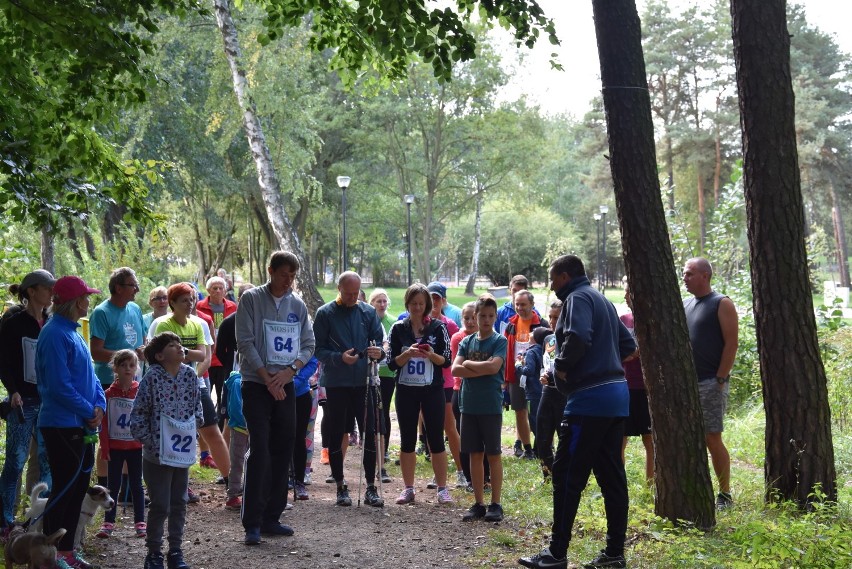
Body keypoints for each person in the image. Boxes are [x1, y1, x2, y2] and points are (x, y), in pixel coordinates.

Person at [519, 255, 636, 569]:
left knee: (566, 475)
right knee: (612, 476)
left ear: (565, 276)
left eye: (553, 279)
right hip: (616, 397)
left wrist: (560, 368)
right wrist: (603, 363)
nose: (553, 286)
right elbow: (629, 346)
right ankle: (614, 554)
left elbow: (579, 337)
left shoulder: (576, 298)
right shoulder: (603, 301)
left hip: (589, 402)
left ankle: (556, 554)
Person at [236, 251, 315, 543]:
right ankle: (252, 522)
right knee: (260, 448)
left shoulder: (298, 305)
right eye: (284, 274)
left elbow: (308, 344)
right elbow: (244, 340)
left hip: (286, 385)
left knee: (284, 446)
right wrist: (266, 376)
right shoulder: (252, 300)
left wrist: (290, 371)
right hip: (257, 384)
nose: (288, 281)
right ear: (271, 271)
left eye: (293, 276)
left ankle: (273, 516)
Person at [36, 275, 106, 569]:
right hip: (62, 424)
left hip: (81, 423)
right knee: (64, 489)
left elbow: (90, 377)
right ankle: (49, 555)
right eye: (86, 296)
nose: (89, 300)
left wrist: (99, 404)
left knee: (77, 488)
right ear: (76, 301)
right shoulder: (54, 334)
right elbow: (58, 386)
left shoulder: (74, 332)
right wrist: (88, 409)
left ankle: (66, 552)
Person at [131, 332, 203, 569]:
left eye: (180, 344)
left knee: (179, 502)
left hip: (181, 454)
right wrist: (150, 441)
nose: (180, 348)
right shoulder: (151, 379)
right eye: (173, 345)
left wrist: (195, 427)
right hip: (156, 455)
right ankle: (153, 553)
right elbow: (138, 415)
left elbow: (197, 407)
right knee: (160, 503)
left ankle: (175, 551)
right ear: (160, 356)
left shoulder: (190, 375)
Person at [313, 271, 384, 508]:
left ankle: (371, 488)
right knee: (337, 433)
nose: (353, 297)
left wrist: (378, 353)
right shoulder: (325, 313)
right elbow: (317, 349)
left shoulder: (367, 312)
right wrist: (339, 357)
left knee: (369, 431)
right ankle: (341, 486)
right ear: (339, 289)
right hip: (337, 383)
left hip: (364, 382)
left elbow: (378, 342)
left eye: (356, 293)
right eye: (348, 293)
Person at [151, 284, 231, 493]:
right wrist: (188, 354)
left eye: (192, 299)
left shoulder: (199, 324)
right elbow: (158, 357)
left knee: (212, 430)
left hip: (196, 384)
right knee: (173, 434)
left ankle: (233, 483)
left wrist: (188, 370)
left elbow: (203, 356)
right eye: (184, 300)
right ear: (173, 303)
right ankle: (176, 487)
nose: (190, 304)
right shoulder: (161, 324)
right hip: (167, 388)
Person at [388, 284, 453, 505]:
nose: (417, 307)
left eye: (421, 304)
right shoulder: (398, 328)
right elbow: (391, 363)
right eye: (413, 303)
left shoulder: (437, 327)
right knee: (407, 439)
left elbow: (447, 360)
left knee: (436, 438)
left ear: (427, 305)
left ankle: (443, 489)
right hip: (406, 390)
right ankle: (408, 488)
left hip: (432, 390)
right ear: (407, 304)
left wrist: (431, 355)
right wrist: (406, 354)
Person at [0, 270, 54, 533]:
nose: (52, 293)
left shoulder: (53, 321)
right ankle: (5, 521)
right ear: (32, 291)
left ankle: (39, 519)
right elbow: (4, 362)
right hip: (22, 403)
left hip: (49, 403)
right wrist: (13, 391)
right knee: (15, 461)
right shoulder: (13, 322)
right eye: (48, 288)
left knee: (46, 461)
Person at [682, 257, 738, 509]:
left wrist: (720, 378)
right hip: (686, 384)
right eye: (684, 274)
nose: (685, 278)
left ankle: (724, 493)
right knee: (688, 438)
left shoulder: (721, 303)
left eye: (689, 273)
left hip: (710, 382)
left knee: (711, 437)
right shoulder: (686, 304)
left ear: (705, 276)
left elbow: (731, 343)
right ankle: (692, 488)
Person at [89, 267, 146, 489]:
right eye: (133, 285)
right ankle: (105, 487)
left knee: (128, 436)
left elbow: (141, 341)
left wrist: (142, 350)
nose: (137, 290)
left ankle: (127, 489)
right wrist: (125, 358)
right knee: (108, 437)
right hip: (108, 382)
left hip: (133, 382)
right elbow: (96, 352)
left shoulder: (134, 309)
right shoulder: (102, 312)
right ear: (118, 287)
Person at [452, 294, 507, 522]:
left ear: (495, 317)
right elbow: (455, 370)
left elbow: (494, 368)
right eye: (482, 315)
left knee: (493, 454)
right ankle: (478, 503)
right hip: (469, 405)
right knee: (474, 454)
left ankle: (495, 503)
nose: (486, 320)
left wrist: (469, 364)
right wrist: (476, 367)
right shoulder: (466, 341)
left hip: (490, 406)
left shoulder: (499, 341)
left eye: (490, 316)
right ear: (475, 316)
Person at [96, 350, 145, 539]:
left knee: (136, 485)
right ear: (115, 368)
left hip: (135, 447)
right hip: (115, 448)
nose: (127, 369)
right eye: (123, 365)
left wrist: (146, 442)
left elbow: (145, 417)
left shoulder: (140, 391)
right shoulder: (107, 394)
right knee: (112, 485)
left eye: (131, 365)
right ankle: (108, 522)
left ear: (136, 369)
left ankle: (140, 521)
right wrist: (105, 447)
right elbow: (104, 423)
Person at [426, 282, 462, 486]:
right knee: (433, 429)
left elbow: (453, 356)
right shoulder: (419, 324)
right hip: (424, 383)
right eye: (430, 298)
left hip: (445, 382)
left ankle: (460, 471)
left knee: (450, 427)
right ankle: (437, 473)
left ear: (443, 300)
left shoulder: (450, 325)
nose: (433, 303)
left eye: (437, 298)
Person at [504, 289, 544, 459]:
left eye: (523, 304)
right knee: (520, 411)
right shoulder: (511, 324)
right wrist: (506, 377)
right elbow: (507, 351)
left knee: (539, 412)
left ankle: (541, 446)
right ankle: (527, 449)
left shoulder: (541, 325)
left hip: (536, 377)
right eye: (517, 304)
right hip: (516, 375)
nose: (520, 308)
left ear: (532, 305)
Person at [620, 281, 654, 483]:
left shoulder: (652, 321)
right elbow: (615, 349)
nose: (625, 297)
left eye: (628, 292)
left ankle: (651, 484)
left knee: (649, 440)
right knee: (619, 439)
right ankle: (618, 481)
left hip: (646, 389)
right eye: (624, 292)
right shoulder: (623, 320)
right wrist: (627, 356)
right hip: (624, 386)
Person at [195, 276, 237, 424]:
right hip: (205, 359)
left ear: (226, 290)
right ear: (208, 290)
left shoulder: (233, 306)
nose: (218, 291)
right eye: (214, 288)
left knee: (222, 396)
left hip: (223, 360)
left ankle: (220, 424)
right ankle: (204, 424)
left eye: (221, 288)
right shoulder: (199, 307)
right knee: (204, 395)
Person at [536, 300, 567, 480]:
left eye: (557, 317)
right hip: (547, 392)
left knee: (564, 437)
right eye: (550, 317)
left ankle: (566, 475)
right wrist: (542, 375)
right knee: (542, 436)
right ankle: (548, 475)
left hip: (565, 394)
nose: (553, 321)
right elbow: (544, 364)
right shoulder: (548, 339)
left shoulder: (571, 339)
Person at [368, 288, 396, 483]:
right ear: (372, 303)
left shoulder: (391, 322)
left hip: (387, 373)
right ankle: (371, 453)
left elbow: (390, 345)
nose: (382, 304)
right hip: (368, 373)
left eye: (384, 301)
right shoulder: (368, 319)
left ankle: (383, 453)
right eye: (378, 301)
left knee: (383, 410)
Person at [517, 326, 549, 456]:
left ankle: (543, 446)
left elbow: (529, 371)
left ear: (535, 338)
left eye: (533, 333)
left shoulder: (531, 352)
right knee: (542, 418)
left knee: (534, 419)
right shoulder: (546, 350)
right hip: (544, 390)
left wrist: (518, 365)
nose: (530, 333)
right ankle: (539, 448)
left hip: (533, 392)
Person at [292, 356, 319, 500]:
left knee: (299, 438)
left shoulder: (305, 334)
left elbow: (313, 361)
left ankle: (299, 481)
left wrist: (296, 380)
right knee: (280, 437)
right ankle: (281, 479)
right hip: (276, 391)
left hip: (301, 393)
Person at [223, 370, 247, 511]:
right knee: (237, 462)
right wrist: (247, 424)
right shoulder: (238, 383)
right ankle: (232, 495)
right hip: (240, 428)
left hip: (252, 427)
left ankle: (251, 493)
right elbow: (236, 409)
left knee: (254, 462)